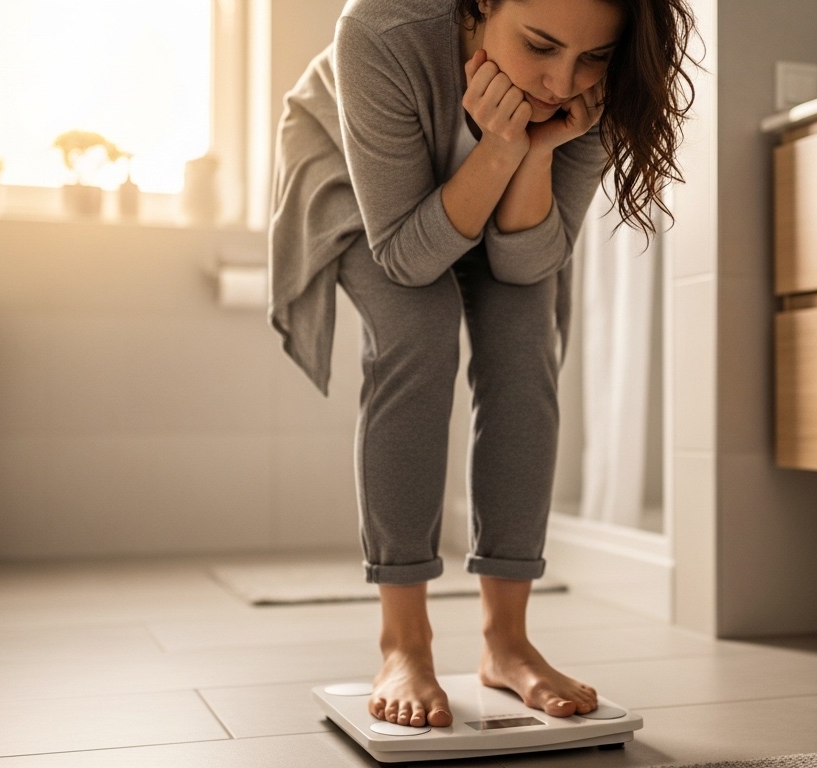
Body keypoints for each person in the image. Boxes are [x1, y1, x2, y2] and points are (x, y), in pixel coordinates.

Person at [270, 0, 697, 730]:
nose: (561, 82)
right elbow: (407, 259)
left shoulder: (601, 85)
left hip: (501, 196)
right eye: (540, 45)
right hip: (365, 183)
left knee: (526, 342)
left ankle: (508, 641)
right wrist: (500, 148)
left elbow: (527, 266)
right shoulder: (381, 30)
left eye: (592, 56)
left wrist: (534, 151)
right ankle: (403, 641)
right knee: (418, 332)